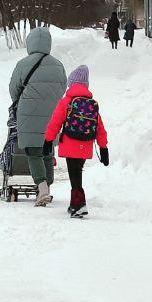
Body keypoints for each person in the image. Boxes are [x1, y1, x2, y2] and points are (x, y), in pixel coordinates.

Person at [9, 27, 67, 206]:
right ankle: (47, 187)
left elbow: (14, 89)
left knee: (33, 151)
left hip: (29, 113)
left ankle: (41, 187)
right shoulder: (58, 65)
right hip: (53, 113)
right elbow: (63, 87)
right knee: (48, 150)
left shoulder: (23, 64)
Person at [43, 64, 109, 218]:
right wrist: (103, 148)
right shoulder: (91, 104)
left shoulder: (66, 101)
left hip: (70, 143)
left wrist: (48, 141)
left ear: (71, 84)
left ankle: (79, 204)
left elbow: (55, 123)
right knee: (77, 172)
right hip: (85, 145)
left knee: (74, 174)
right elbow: (100, 128)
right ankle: (75, 204)